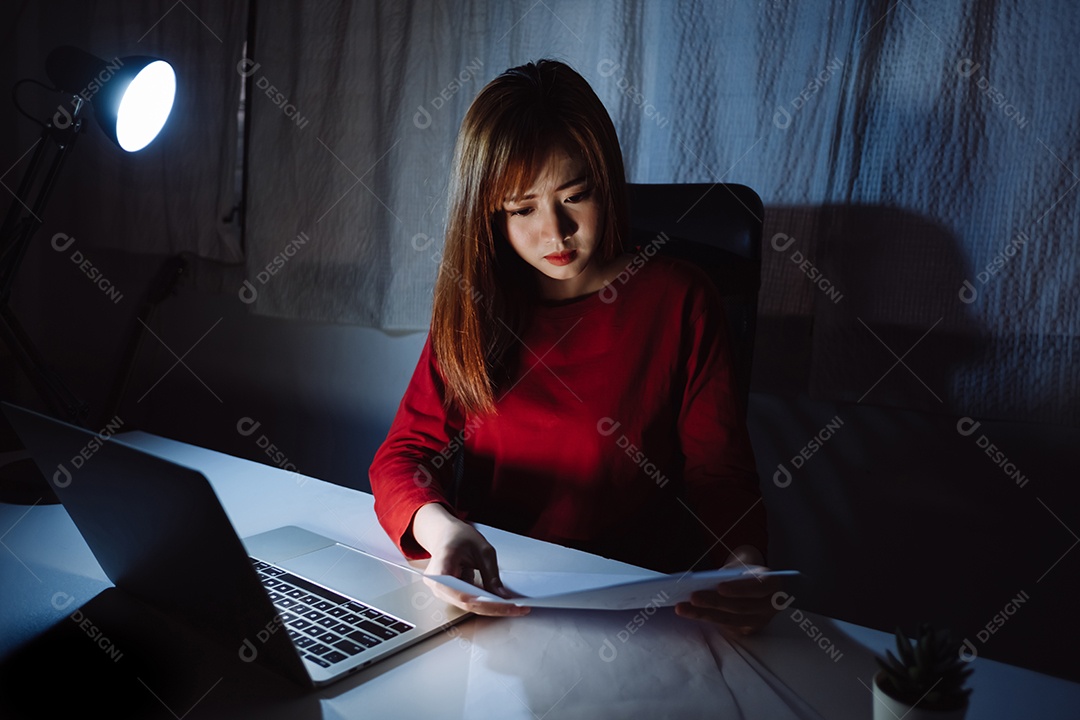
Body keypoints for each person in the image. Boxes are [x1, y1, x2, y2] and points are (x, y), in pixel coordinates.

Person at [369, 59, 779, 632]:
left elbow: (719, 475)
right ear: (489, 213)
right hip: (496, 597)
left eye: (576, 196)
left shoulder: (681, 298)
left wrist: (742, 566)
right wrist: (442, 529)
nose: (555, 233)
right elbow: (402, 455)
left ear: (606, 182)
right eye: (523, 209)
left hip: (633, 609)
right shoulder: (476, 305)